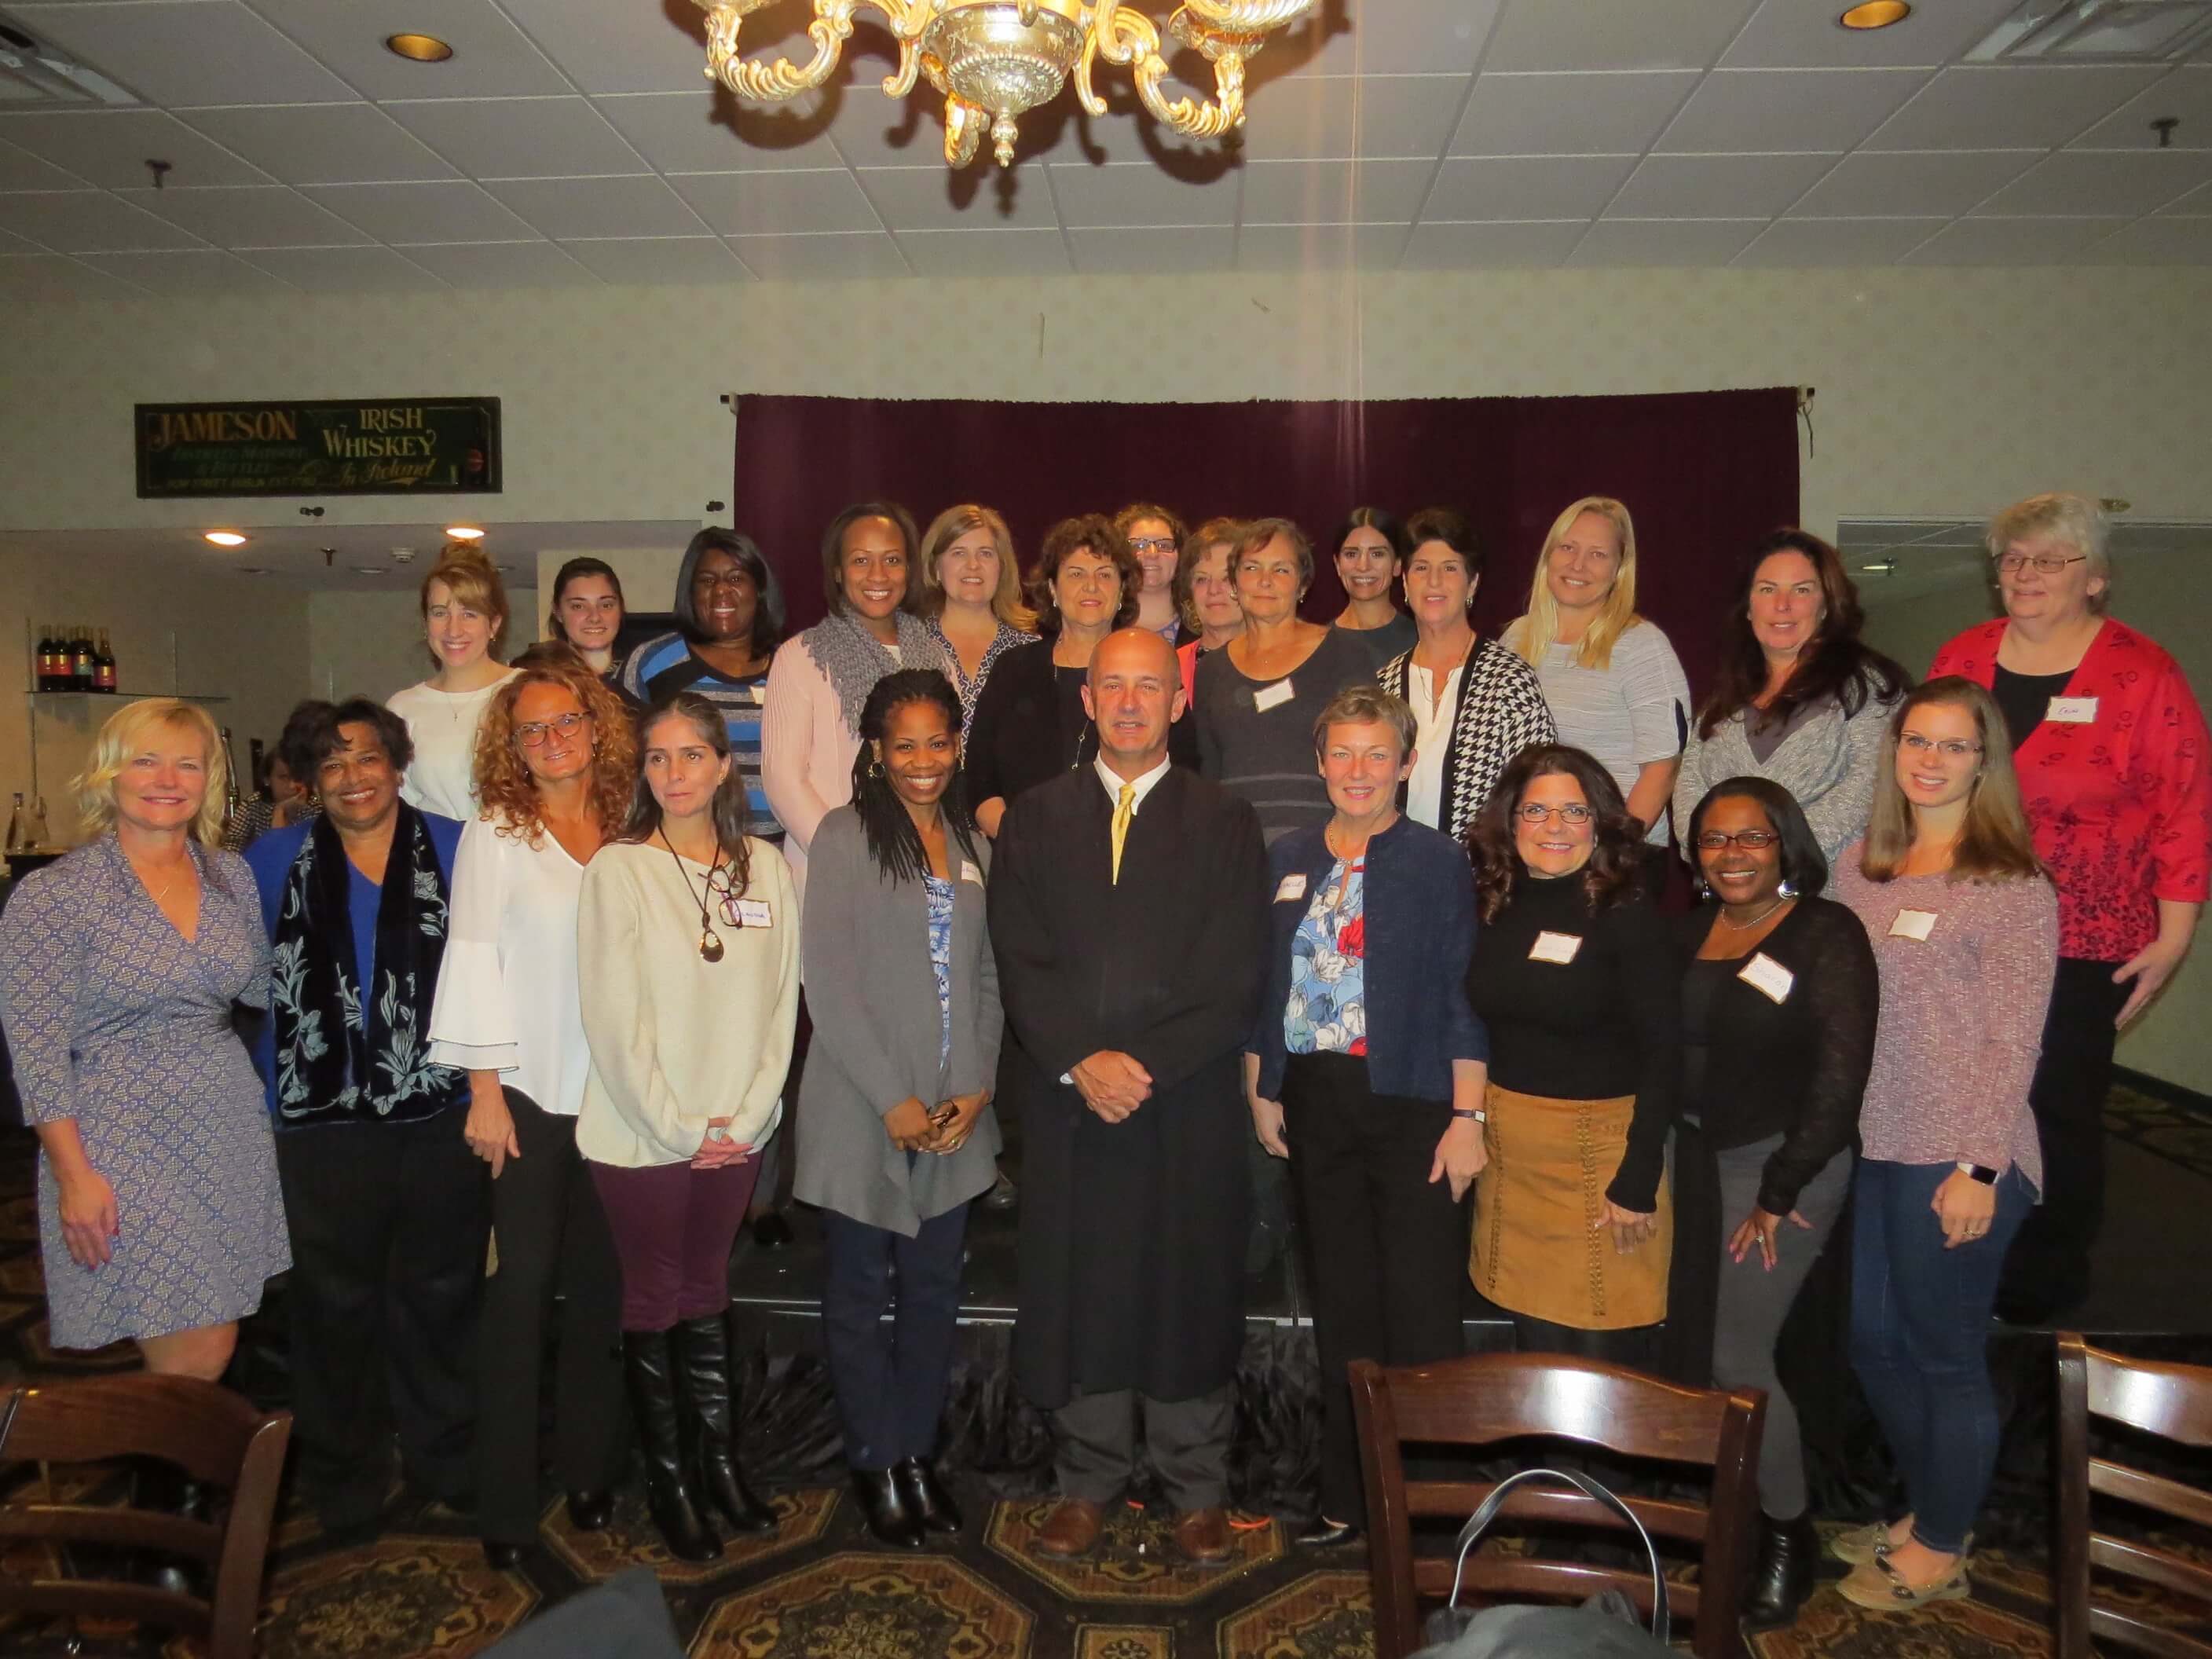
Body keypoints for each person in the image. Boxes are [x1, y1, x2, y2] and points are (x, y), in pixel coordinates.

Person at [990, 628, 1269, 1566]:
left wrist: (1139, 1065)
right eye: (1113, 685)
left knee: (1183, 1285)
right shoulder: (1033, 817)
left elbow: (1232, 973)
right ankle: (1087, 1481)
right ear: (1087, 699)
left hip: (1181, 1101)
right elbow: (1018, 955)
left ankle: (1196, 1488)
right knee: (1081, 1287)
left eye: (1149, 686)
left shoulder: (1224, 820)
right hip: (1069, 1103)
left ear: (1177, 702)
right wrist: (1079, 1058)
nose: (1130, 702)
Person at [1928, 493, 2210, 1325]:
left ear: (2094, 579)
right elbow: (1920, 773)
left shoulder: (2139, 673)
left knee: (2053, 1106)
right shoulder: (1963, 656)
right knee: (1957, 1093)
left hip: (2081, 935)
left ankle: (2040, 1287)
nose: (2025, 576)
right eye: (2012, 560)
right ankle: (1954, 1252)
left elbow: (2183, 805)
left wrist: (2173, 934)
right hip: (1964, 925)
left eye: (2048, 561)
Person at [1829, 678, 2056, 1612]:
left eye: (1952, 745)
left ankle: (1940, 1542)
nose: (1928, 759)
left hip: (1961, 1153)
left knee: (1944, 1353)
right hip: (1876, 1141)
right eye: (1914, 741)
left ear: (1983, 761)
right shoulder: (1859, 866)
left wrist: (1976, 1167)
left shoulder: (2009, 884)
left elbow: (2014, 1041)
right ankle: (1928, 1506)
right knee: (1871, 1342)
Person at [1245, 686, 1487, 1549]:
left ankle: (1426, 1512)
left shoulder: (1435, 861)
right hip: (1316, 1104)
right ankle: (1350, 1499)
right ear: (1318, 763)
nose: (1357, 771)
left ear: (1405, 764)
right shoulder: (1290, 853)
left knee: (1420, 1315)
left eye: (1375, 754)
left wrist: (1470, 1114)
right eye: (1340, 753)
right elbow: (1268, 985)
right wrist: (1260, 1084)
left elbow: (1464, 992)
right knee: (1342, 1311)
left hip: (1414, 1104)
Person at [243, 699, 482, 1539]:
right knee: (332, 1306)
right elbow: (241, 982)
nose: (353, 778)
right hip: (319, 1124)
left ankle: (445, 1456)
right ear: (312, 779)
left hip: (439, 1111)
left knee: (443, 1295)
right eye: (333, 764)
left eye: (368, 758)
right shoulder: (269, 859)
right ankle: (344, 1473)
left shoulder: (456, 846)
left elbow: (487, 975)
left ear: (397, 762)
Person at [577, 692, 801, 1562]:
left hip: (738, 1127)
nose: (674, 774)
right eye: (658, 758)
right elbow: (612, 1019)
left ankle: (719, 1467)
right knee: (653, 1294)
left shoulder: (766, 870)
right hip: (642, 1132)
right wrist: (676, 1127)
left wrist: (744, 1117)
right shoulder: (620, 868)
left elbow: (782, 1003)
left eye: (691, 756)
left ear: (722, 766)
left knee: (707, 1289)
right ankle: (669, 1483)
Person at [0, 700, 286, 1381]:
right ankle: (180, 1471)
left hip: (224, 1121)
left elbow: (260, 988)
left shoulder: (229, 875)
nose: (167, 778)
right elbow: (35, 1052)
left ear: (208, 780)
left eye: (187, 763)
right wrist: (74, 1176)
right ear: (109, 774)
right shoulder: (55, 895)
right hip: (117, 1129)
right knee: (188, 1334)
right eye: (146, 760)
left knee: (212, 1333)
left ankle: (177, 1478)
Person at [426, 658, 637, 1569]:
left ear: (596, 726)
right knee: (517, 1298)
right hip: (525, 1098)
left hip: (621, 1101)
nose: (553, 741)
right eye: (532, 731)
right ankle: (507, 1507)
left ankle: (591, 1474)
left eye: (566, 723)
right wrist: (480, 1090)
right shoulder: (496, 833)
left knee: (600, 1295)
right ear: (510, 748)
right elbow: (469, 959)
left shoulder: (632, 824)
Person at [797, 671, 1002, 1548]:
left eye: (938, 742)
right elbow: (828, 984)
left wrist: (978, 1083)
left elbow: (988, 976)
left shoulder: (968, 842)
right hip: (862, 1106)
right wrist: (894, 1099)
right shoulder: (844, 837)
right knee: (855, 1296)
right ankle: (873, 1459)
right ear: (875, 755)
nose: (923, 761)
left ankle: (915, 1453)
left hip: (955, 1112)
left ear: (956, 747)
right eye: (904, 745)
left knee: (931, 1296)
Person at [1664, 778, 1877, 1630]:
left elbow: (1840, 1070)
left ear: (1785, 844)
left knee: (1734, 1356)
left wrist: (1779, 1186)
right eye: (1714, 841)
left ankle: (1790, 1536)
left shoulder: (1824, 931)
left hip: (1780, 1173)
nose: (1732, 854)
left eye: (1751, 837)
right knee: (1693, 1351)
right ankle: (1733, 1517)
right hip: (1692, 1163)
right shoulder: (1688, 933)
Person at [1463, 745, 1677, 1361]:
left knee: (1600, 1357)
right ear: (1510, 821)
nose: (1553, 828)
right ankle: (1547, 1465)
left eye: (1573, 812)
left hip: (1602, 1160)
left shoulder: (1627, 911)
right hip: (1511, 1157)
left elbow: (1663, 1051)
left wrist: (1638, 1178)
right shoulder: (1493, 904)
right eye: (1535, 812)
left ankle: (1594, 1467)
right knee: (1536, 1347)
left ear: (1600, 822)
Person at [1672, 530, 1909, 863]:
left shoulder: (1870, 689)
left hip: (1829, 894)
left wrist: (1769, 853)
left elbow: (1868, 789)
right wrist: (1714, 850)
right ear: (1749, 608)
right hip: (1731, 890)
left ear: (1826, 605)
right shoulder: (1723, 698)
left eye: (1802, 590)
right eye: (1768, 589)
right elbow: (1690, 786)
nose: (1782, 605)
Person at [968, 515, 1196, 838]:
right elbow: (980, 780)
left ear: (1122, 592)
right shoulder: (1013, 669)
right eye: (1076, 574)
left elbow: (1184, 771)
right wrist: (1020, 842)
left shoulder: (1153, 665)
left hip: (1131, 856)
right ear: (1052, 589)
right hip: (1023, 858)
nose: (1091, 586)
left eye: (1105, 574)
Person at [763, 502, 946, 901]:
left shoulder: (937, 658)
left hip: (927, 870)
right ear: (838, 571)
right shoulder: (800, 657)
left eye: (892, 560)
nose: (878, 575)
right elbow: (783, 781)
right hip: (835, 875)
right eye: (861, 560)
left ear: (910, 570)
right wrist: (854, 859)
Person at [1504, 498, 1690, 846]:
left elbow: (1662, 768)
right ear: (1548, 556)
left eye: (1598, 555)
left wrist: (1611, 850)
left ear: (1620, 569)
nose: (1578, 565)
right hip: (1534, 852)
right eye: (1568, 548)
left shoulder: (1642, 646)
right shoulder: (1515, 640)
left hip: (1613, 855)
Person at [1375, 508, 1555, 842]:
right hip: (1397, 877)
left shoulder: (1510, 680)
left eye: (1450, 568)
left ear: (1472, 582)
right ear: (1405, 582)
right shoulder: (1384, 684)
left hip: (1482, 879)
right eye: (1421, 568)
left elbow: (1540, 791)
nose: (1434, 581)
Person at [1193, 518, 1376, 845]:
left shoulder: (1345, 655)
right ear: (1234, 583)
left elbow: (1371, 762)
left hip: (1325, 850)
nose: (1265, 581)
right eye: (1252, 568)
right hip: (1236, 854)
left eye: (1280, 570)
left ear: (1302, 585)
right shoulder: (1211, 671)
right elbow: (1208, 776)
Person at [619, 530, 789, 844]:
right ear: (691, 592)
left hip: (780, 854)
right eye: (708, 581)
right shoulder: (653, 663)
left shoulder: (791, 667)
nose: (721, 591)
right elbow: (619, 762)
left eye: (736, 579)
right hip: (680, 852)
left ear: (759, 590)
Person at [387, 546, 519, 822]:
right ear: (426, 623)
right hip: (433, 858)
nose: (453, 629)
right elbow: (395, 805)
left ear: (494, 624)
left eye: (469, 614)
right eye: (440, 613)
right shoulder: (402, 708)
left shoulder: (526, 691)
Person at [917, 504, 1036, 737]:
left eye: (986, 553)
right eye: (959, 553)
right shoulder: (910, 644)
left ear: (1001, 567)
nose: (973, 565)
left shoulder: (1031, 651)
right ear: (936, 568)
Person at [220, 701, 324, 852]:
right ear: (267, 779)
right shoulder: (253, 806)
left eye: (298, 777)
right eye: (283, 777)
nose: (291, 785)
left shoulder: (315, 807)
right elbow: (231, 849)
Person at [1330, 507, 1416, 674]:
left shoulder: (1421, 641)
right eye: (1351, 554)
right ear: (1337, 564)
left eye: (1377, 554)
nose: (1363, 566)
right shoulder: (1317, 646)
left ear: (1398, 564)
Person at [1174, 516, 1247, 699]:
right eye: (1202, 579)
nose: (1213, 590)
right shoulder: (1169, 666)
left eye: (1227, 578)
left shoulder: (1277, 661)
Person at [547, 557, 628, 683]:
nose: (595, 617)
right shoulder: (543, 683)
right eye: (578, 606)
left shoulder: (645, 677)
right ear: (558, 611)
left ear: (621, 608)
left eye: (606, 605)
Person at [1115, 502, 1188, 641]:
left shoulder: (1202, 628)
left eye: (1164, 545)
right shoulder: (1102, 626)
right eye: (1139, 545)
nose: (1152, 554)